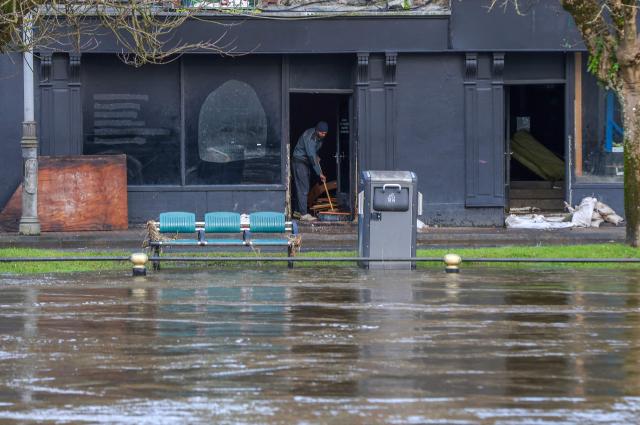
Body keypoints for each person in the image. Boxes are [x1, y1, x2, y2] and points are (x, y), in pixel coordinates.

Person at [292, 121, 328, 221]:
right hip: (299, 162)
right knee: (304, 188)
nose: (323, 135)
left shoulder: (318, 136)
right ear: (317, 130)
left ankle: (297, 212)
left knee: (301, 187)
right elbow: (311, 156)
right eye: (322, 133)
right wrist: (320, 173)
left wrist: (316, 156)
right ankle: (303, 214)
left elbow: (312, 153)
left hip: (304, 161)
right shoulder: (310, 137)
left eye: (325, 133)